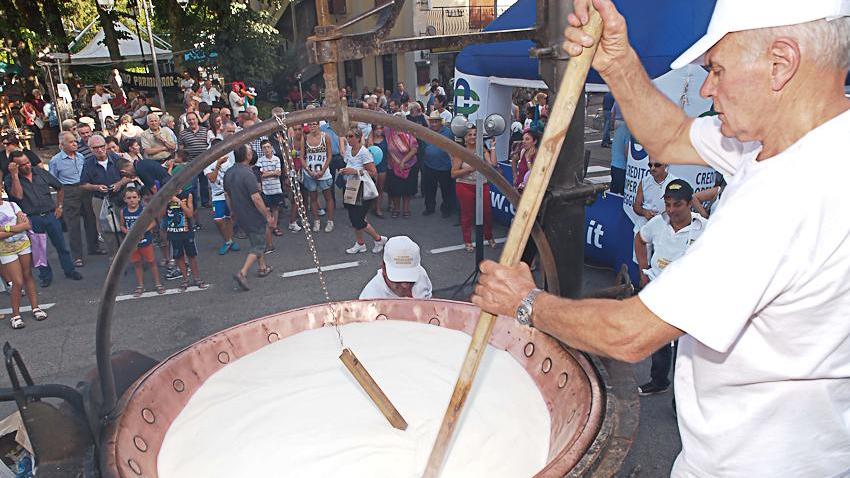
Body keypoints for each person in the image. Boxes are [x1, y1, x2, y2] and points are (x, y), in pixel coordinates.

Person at [471, 1, 850, 476]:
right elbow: (671, 135)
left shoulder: (793, 194)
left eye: (717, 69)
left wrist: (526, 301)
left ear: (781, 63)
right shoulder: (803, 138)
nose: (708, 88)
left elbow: (631, 334)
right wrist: (616, 60)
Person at [634, 179, 707, 396]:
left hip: (688, 298)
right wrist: (643, 270)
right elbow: (640, 240)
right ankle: (659, 380)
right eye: (668, 204)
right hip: (658, 292)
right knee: (659, 342)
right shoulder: (658, 223)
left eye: (677, 205)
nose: (671, 210)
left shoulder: (705, 229)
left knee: (684, 353)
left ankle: (681, 400)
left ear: (689, 204)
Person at [5, 151, 83, 287]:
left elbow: (59, 187)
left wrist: (59, 206)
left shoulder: (39, 172)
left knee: (61, 245)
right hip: (32, 218)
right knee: (39, 249)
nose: (27, 166)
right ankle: (45, 276)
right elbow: (18, 196)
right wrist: (15, 175)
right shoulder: (10, 179)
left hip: (50, 214)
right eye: (22, 165)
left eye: (28, 162)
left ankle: (70, 270)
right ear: (14, 165)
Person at [225, 144, 274, 291]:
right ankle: (242, 272)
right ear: (248, 156)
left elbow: (228, 195)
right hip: (252, 214)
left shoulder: (229, 172)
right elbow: (256, 198)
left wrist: (232, 211)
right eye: (250, 151)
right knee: (259, 245)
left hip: (240, 214)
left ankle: (262, 267)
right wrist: (268, 215)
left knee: (255, 240)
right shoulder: (248, 174)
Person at [49, 132, 99, 267]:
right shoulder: (55, 160)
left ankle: (94, 247)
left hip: (84, 187)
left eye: (75, 141)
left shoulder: (81, 156)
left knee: (90, 218)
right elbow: (52, 180)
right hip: (68, 190)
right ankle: (77, 256)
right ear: (62, 145)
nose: (75, 144)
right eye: (71, 142)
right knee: (73, 224)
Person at [0, 188, 45, 329]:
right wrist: (17, 227)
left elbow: (26, 225)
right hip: (6, 250)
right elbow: (20, 226)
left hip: (23, 244)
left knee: (28, 276)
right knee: (17, 282)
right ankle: (16, 315)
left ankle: (35, 308)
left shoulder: (12, 205)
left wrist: (5, 228)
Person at [339, 127, 387, 254]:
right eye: (347, 136)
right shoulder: (349, 150)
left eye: (351, 137)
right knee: (352, 217)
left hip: (362, 188)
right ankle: (360, 243)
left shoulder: (364, 152)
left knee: (358, 219)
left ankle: (378, 239)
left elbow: (373, 172)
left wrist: (355, 171)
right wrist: (345, 171)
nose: (348, 139)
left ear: (359, 138)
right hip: (351, 186)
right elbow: (349, 164)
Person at [80, 134, 130, 255]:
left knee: (126, 225)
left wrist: (119, 183)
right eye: (95, 147)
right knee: (107, 230)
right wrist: (95, 187)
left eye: (102, 146)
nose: (99, 150)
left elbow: (130, 175)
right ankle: (114, 258)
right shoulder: (88, 164)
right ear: (90, 149)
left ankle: (131, 255)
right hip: (100, 199)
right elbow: (82, 184)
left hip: (120, 197)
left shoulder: (116, 158)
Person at [452, 126, 496, 252]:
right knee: (467, 215)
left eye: (475, 134)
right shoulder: (460, 152)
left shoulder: (483, 150)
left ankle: (489, 236)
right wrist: (469, 169)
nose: (472, 137)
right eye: (469, 135)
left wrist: (492, 147)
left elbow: (492, 165)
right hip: (465, 186)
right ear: (465, 138)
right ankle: (467, 240)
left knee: (487, 212)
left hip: (483, 185)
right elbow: (453, 173)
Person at [119, 187, 164, 297]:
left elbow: (153, 223)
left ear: (139, 198)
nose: (132, 200)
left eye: (134, 197)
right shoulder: (123, 211)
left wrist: (143, 230)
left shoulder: (143, 210)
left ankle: (158, 283)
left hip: (145, 241)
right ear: (124, 199)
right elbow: (121, 226)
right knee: (137, 263)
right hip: (132, 243)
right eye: (129, 198)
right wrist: (128, 232)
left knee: (151, 262)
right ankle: (140, 285)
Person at [359, 236, 433, 300]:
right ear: (384, 268)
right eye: (398, 280)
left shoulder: (422, 274)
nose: (405, 286)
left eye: (410, 279)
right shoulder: (370, 298)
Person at [163, 186, 206, 291]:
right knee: (179, 256)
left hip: (186, 232)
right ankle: (185, 279)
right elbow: (160, 215)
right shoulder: (166, 196)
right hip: (173, 232)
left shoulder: (187, 195)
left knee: (191, 255)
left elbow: (190, 214)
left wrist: (179, 202)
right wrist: (165, 202)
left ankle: (197, 278)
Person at [301, 121, 335, 232]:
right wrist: (308, 170)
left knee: (328, 197)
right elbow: (301, 157)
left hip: (323, 173)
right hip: (310, 172)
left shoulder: (326, 137)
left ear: (318, 125)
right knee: (313, 198)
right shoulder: (305, 138)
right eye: (310, 124)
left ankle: (330, 221)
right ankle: (316, 221)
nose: (312, 126)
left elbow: (329, 155)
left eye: (314, 124)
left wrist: (323, 170)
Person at [421, 111, 455, 217]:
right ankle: (429, 208)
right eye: (432, 122)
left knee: (446, 190)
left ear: (440, 122)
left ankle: (446, 210)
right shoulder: (426, 131)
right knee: (429, 189)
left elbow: (453, 147)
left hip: (444, 166)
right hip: (429, 165)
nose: (434, 124)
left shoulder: (448, 132)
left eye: (436, 122)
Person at [385, 121, 418, 218]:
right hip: (393, 165)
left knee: (407, 190)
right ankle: (396, 209)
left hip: (409, 164)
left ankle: (406, 209)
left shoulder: (409, 133)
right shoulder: (389, 132)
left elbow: (414, 149)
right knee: (395, 189)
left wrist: (403, 161)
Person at [178, 111, 211, 208]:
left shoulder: (205, 131)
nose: (192, 121)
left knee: (204, 183)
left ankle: (205, 202)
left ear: (197, 119)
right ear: (187, 122)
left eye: (193, 119)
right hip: (190, 162)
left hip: (204, 162)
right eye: (189, 120)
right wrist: (182, 161)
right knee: (192, 185)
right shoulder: (183, 134)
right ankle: (194, 204)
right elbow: (181, 148)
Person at [632, 162, 677, 232]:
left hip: (664, 230)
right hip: (643, 228)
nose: (652, 168)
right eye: (650, 165)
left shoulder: (675, 183)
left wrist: (661, 217)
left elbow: (679, 210)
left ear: (666, 165)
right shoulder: (644, 181)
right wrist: (645, 212)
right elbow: (636, 206)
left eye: (657, 165)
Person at [257, 139, 284, 241]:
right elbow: (261, 175)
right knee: (267, 209)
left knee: (275, 208)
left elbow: (278, 173)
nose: (267, 149)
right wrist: (272, 173)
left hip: (276, 188)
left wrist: (267, 173)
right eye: (264, 148)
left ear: (271, 148)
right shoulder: (260, 160)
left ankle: (275, 226)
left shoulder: (276, 159)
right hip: (266, 190)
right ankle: (269, 226)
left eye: (268, 147)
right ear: (262, 150)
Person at [609, 101, 629, 194]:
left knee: (613, 192)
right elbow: (626, 152)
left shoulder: (620, 129)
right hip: (622, 168)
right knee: (621, 194)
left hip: (614, 164)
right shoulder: (628, 132)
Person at [370, 125, 388, 218]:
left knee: (380, 189)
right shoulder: (370, 140)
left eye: (381, 128)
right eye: (377, 128)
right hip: (372, 167)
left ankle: (378, 208)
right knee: (372, 188)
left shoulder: (386, 139)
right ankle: (372, 206)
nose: (379, 131)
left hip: (383, 166)